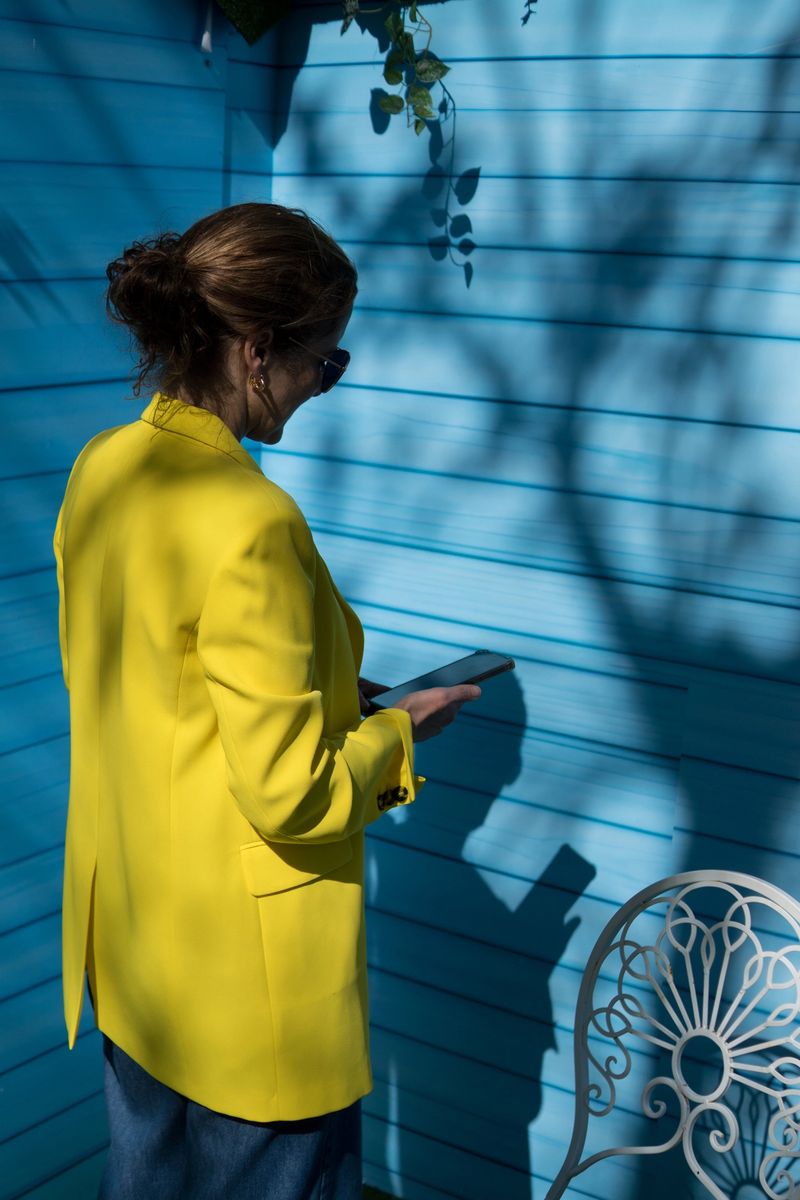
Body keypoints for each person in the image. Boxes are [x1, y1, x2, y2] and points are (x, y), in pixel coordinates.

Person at [53, 202, 480, 1200]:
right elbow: (291, 796)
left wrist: (330, 689)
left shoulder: (104, 468)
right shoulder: (251, 522)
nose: (322, 387)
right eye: (323, 364)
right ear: (255, 353)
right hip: (249, 998)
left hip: (137, 954)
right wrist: (395, 733)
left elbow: (147, 689)